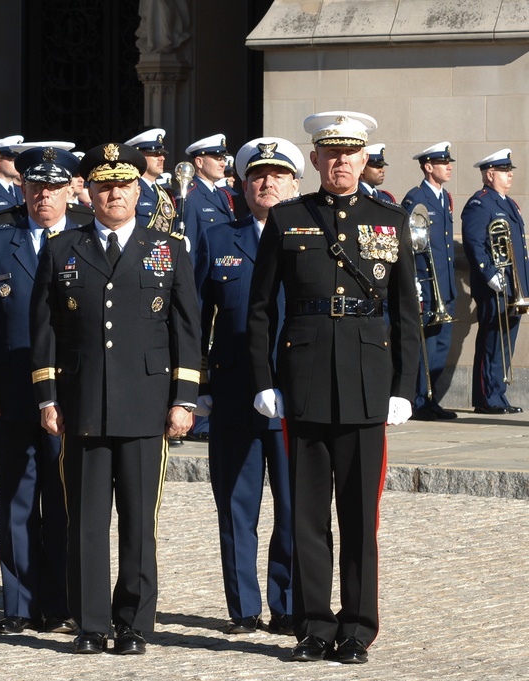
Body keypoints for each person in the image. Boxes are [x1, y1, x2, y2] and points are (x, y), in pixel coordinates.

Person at [247, 111, 420, 665]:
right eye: (331, 153)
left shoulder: (388, 220)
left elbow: (406, 313)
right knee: (306, 514)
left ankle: (358, 626)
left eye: (351, 153)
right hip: (304, 381)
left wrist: (404, 387)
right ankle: (314, 623)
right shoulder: (289, 218)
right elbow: (259, 311)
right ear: (316, 160)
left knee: (358, 515)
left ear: (365, 159)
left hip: (368, 384)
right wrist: (264, 381)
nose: (341, 162)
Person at [30, 142, 201, 655]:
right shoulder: (63, 248)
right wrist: (47, 397)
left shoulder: (167, 246)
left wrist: (184, 399)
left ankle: (133, 623)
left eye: (123, 184)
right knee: (84, 521)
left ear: (137, 189)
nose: (114, 194)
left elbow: (185, 329)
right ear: (89, 191)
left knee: (138, 520)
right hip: (81, 403)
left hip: (147, 403)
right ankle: (91, 623)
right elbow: (45, 329)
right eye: (104, 185)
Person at [194, 137, 300, 636]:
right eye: (258, 175)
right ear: (242, 183)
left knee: (293, 505)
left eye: (277, 175)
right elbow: (192, 317)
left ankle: (287, 603)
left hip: (294, 394)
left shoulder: (309, 236)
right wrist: (196, 385)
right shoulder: (219, 240)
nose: (267, 183)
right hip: (234, 392)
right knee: (236, 507)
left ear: (294, 183)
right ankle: (243, 608)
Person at [0, 145, 77, 638]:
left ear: (70, 192)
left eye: (53, 188)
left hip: (69, 396)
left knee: (63, 500)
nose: (43, 196)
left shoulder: (84, 241)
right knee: (16, 499)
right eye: (35, 187)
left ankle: (59, 603)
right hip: (12, 394)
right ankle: (18, 604)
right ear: (23, 189)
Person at [461, 149, 528, 415]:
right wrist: (488, 273)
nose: (510, 175)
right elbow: (474, 243)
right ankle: (487, 398)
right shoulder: (480, 203)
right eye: (504, 171)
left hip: (513, 286)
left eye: (510, 170)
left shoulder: (508, 203)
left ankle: (497, 395)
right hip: (495, 286)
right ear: (490, 175)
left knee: (505, 343)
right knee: (492, 342)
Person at [402, 142, 458, 420]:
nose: (449, 167)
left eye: (449, 162)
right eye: (443, 162)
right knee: (425, 346)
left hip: (444, 286)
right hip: (425, 286)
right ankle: (418, 400)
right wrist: (414, 282)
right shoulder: (416, 197)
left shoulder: (444, 197)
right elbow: (410, 246)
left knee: (441, 347)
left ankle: (431, 398)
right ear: (428, 167)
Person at [179, 134, 235, 244]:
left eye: (223, 159)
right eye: (218, 159)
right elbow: (187, 245)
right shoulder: (189, 195)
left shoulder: (223, 194)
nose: (223, 164)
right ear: (199, 162)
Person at [124, 128, 177, 233]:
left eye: (162, 154)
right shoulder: (130, 189)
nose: (162, 158)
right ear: (139, 157)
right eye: (155, 154)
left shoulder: (163, 193)